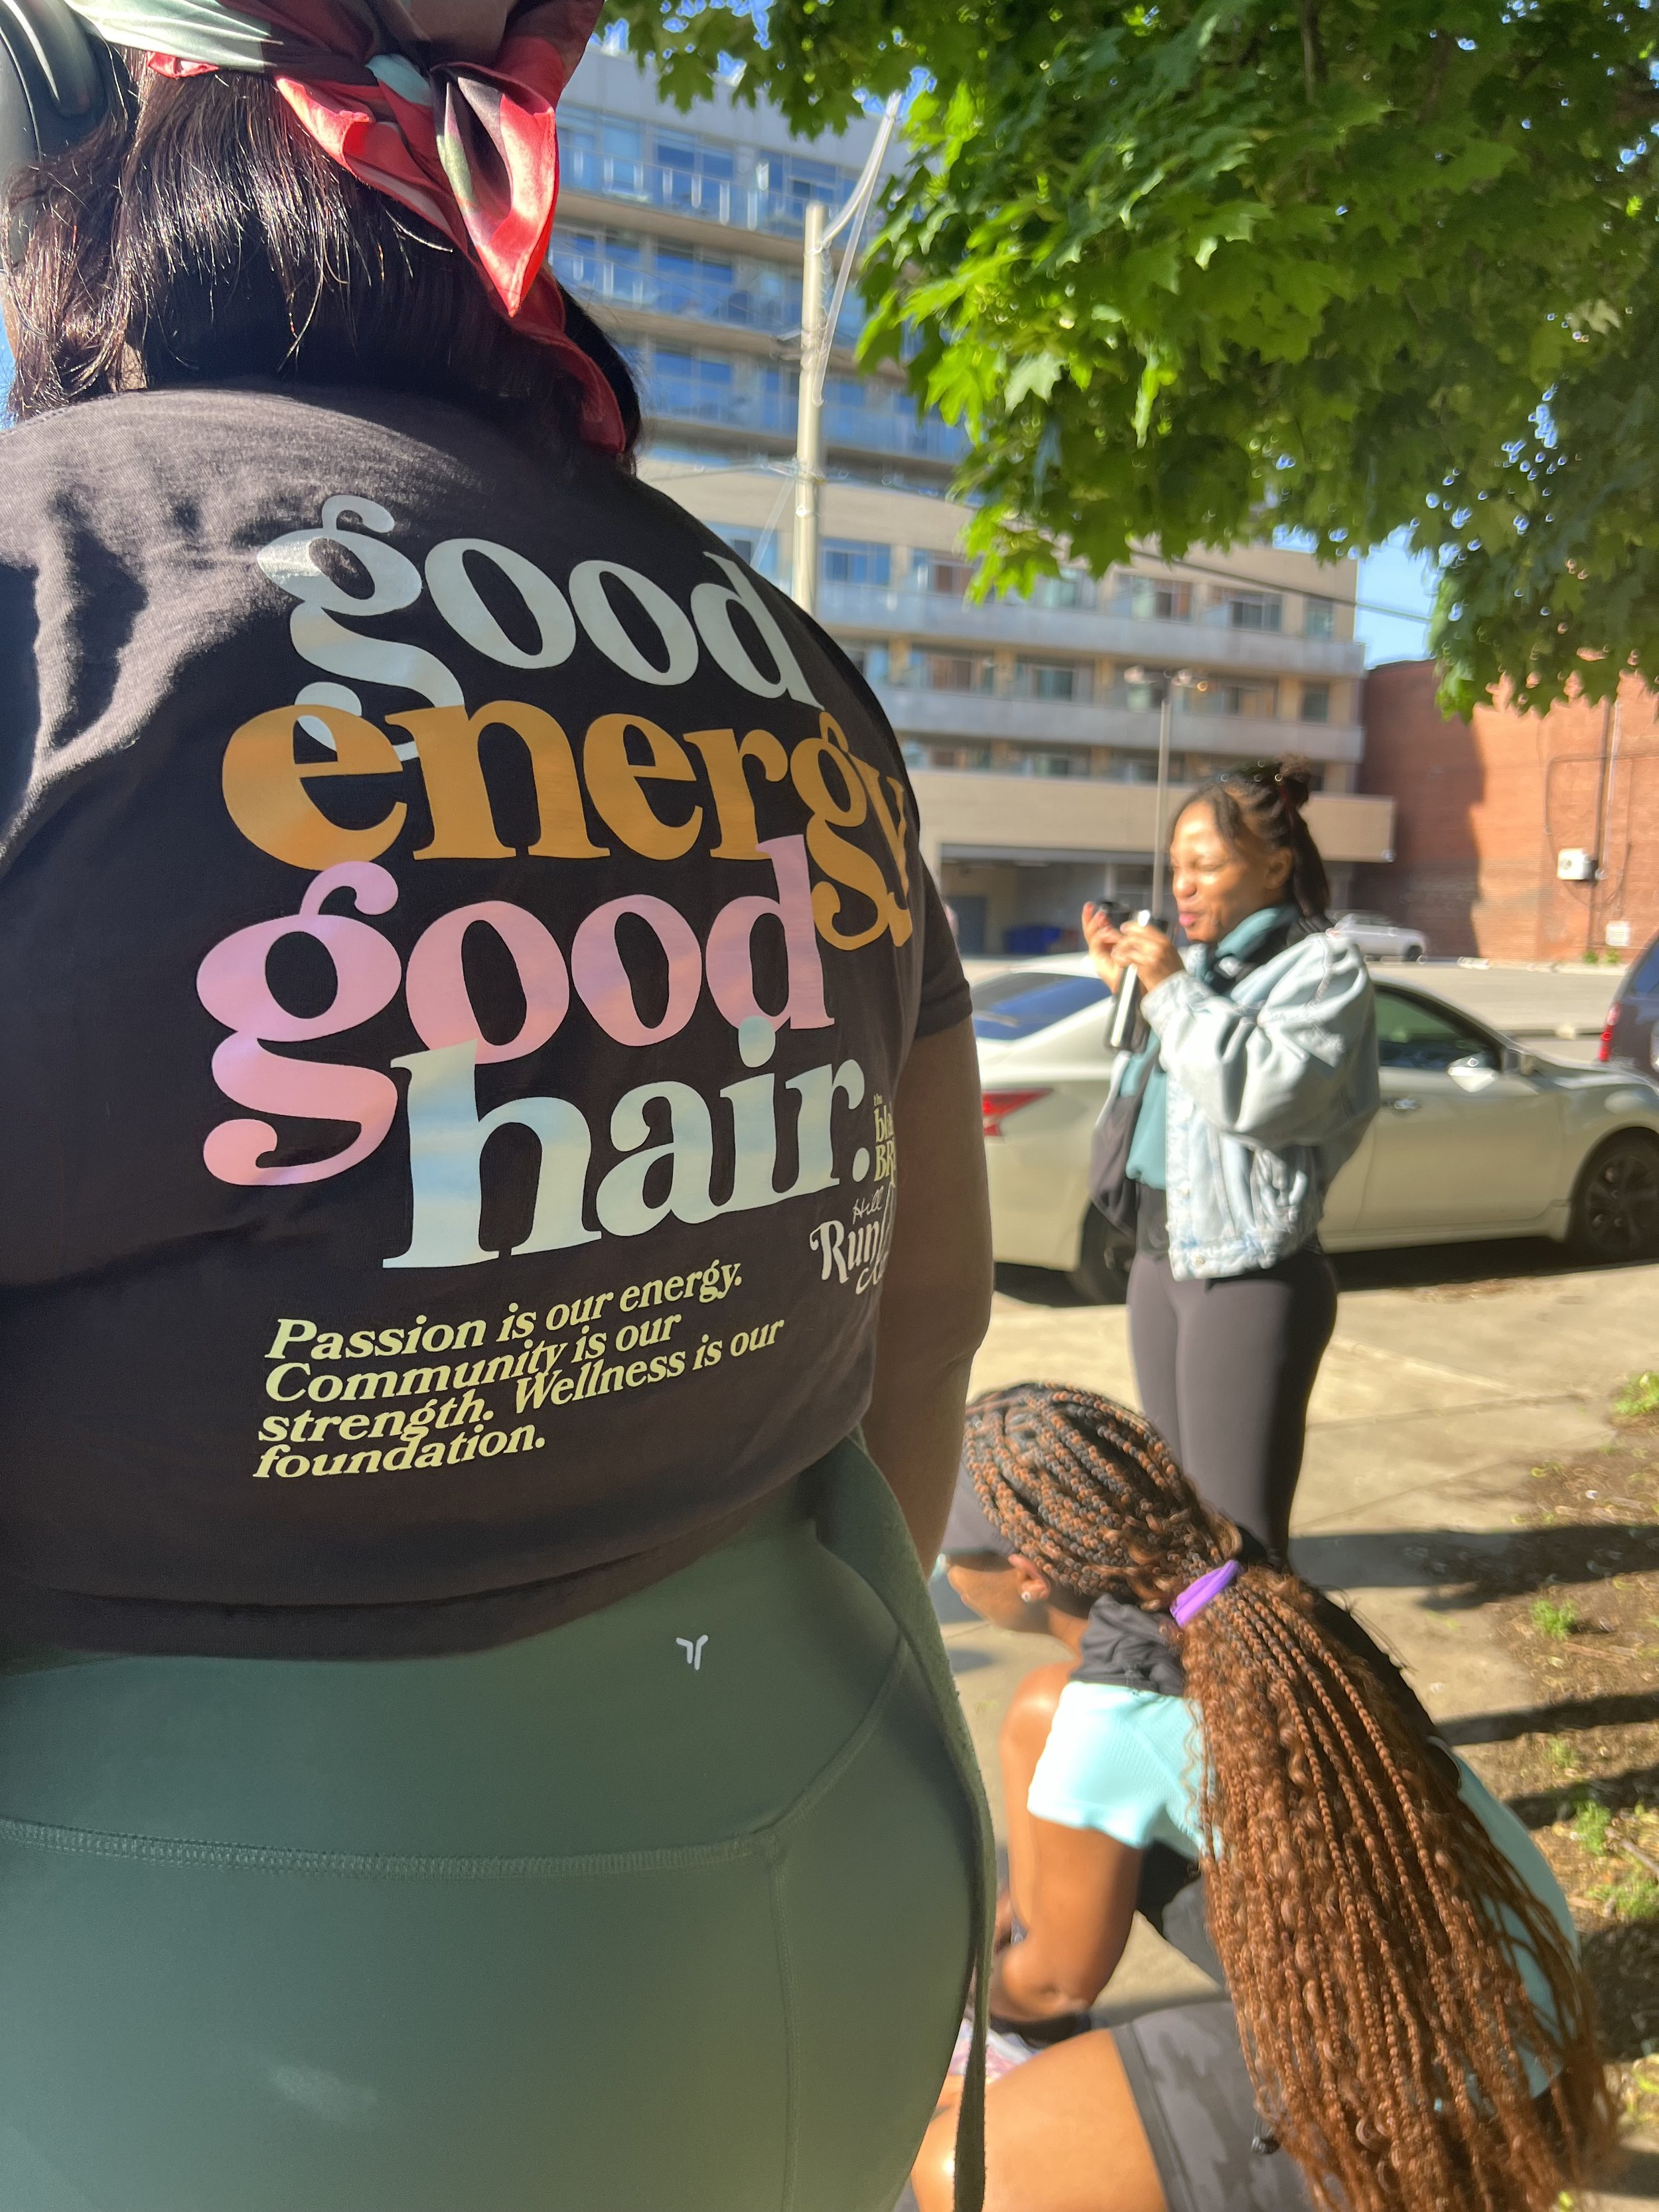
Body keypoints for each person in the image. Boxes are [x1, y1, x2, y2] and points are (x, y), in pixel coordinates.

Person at [0, 9, 995, 2206]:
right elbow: (924, 1316)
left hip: (215, 2023)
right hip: (829, 1833)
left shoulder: (50, 569)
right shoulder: (767, 636)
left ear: (80, 189)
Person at [913, 1384, 1615, 2212]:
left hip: (1422, 2096)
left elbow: (1056, 1984)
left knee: (948, 2169)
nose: (947, 1577)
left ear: (1026, 1575)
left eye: (949, 1560)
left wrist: (946, 2026)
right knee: (1040, 1706)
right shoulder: (1249, 1611)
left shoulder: (1116, 1728)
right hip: (1519, 2004)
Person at [1081, 763, 1378, 1556]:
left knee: (1239, 1541)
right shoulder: (1194, 973)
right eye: (1176, 867)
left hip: (1248, 1273)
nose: (1182, 887)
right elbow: (1155, 1113)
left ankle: (1263, 1679)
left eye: (1205, 865)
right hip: (1160, 1257)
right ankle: (1195, 1674)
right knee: (1180, 1521)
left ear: (1275, 866)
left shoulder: (1319, 969)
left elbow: (1263, 1098)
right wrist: (1134, 993)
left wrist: (1172, 991)